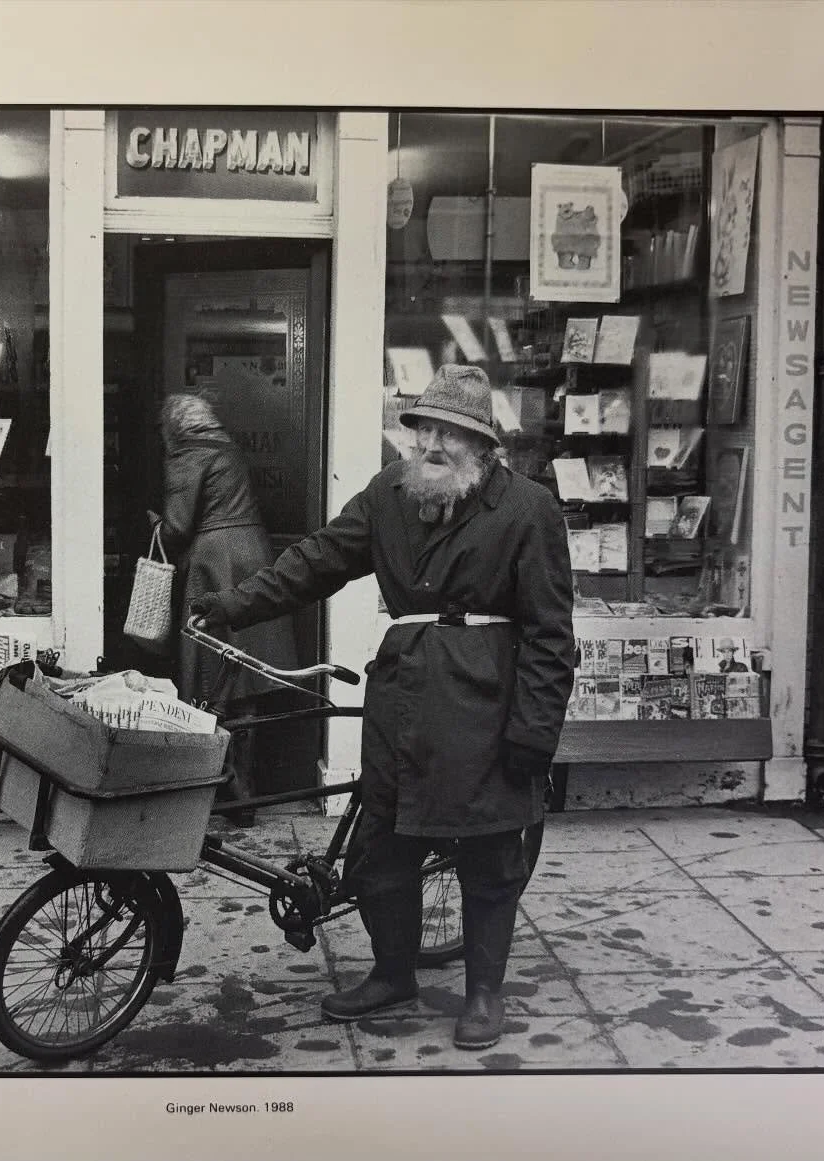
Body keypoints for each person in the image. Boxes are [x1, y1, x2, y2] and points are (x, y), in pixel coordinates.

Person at [191, 365, 575, 1050]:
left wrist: (534, 733)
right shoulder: (386, 495)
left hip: (484, 705)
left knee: (488, 855)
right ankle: (394, 972)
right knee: (380, 847)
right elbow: (312, 563)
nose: (432, 443)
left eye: (451, 432)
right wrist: (231, 605)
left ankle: (484, 991)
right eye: (424, 427)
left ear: (482, 446)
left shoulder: (527, 510)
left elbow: (550, 636)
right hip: (399, 699)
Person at [155, 392, 300, 827]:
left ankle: (214, 792)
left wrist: (153, 527)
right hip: (251, 556)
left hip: (214, 565)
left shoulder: (186, 455)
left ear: (173, 428)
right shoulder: (229, 449)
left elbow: (178, 527)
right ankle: (244, 795)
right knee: (242, 682)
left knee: (209, 680)